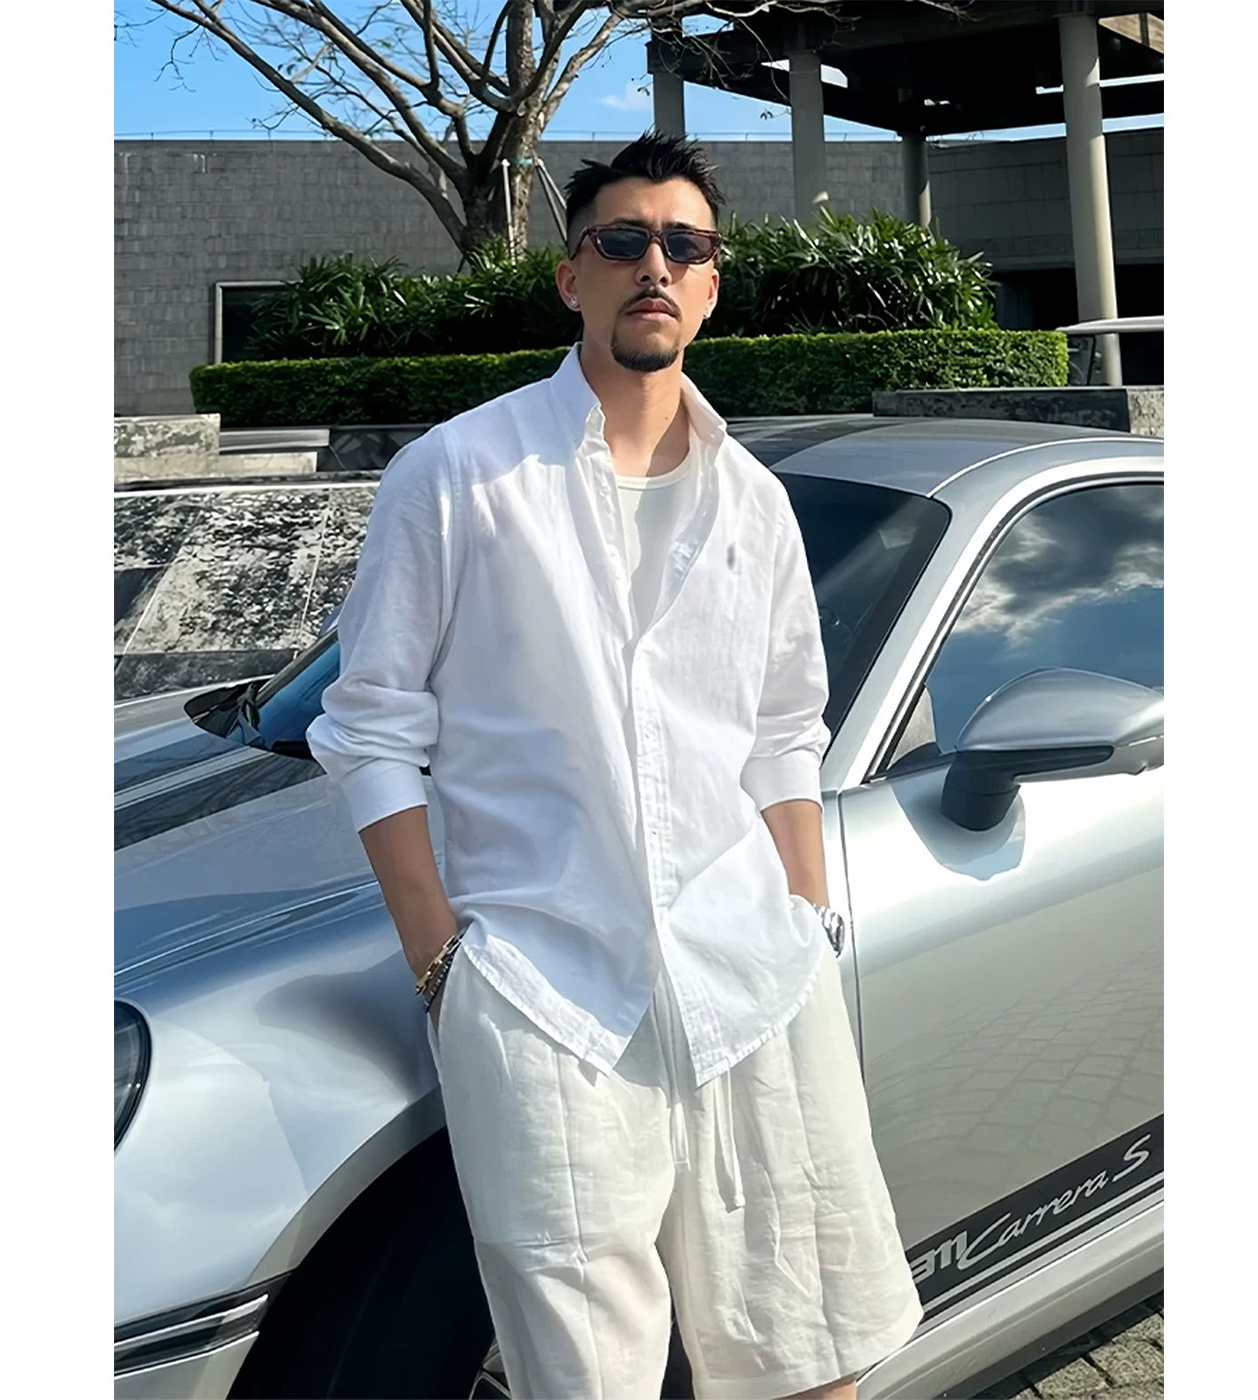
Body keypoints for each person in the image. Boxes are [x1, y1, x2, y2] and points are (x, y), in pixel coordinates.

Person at [306, 132, 923, 1400]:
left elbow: (783, 730)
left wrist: (805, 916)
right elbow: (369, 726)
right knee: (587, 1378)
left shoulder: (751, 500)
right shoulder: (458, 476)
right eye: (622, 239)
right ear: (570, 276)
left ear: (710, 283)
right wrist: (443, 966)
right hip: (544, 995)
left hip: (752, 976)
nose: (654, 263)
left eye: (682, 244)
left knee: (814, 1354)